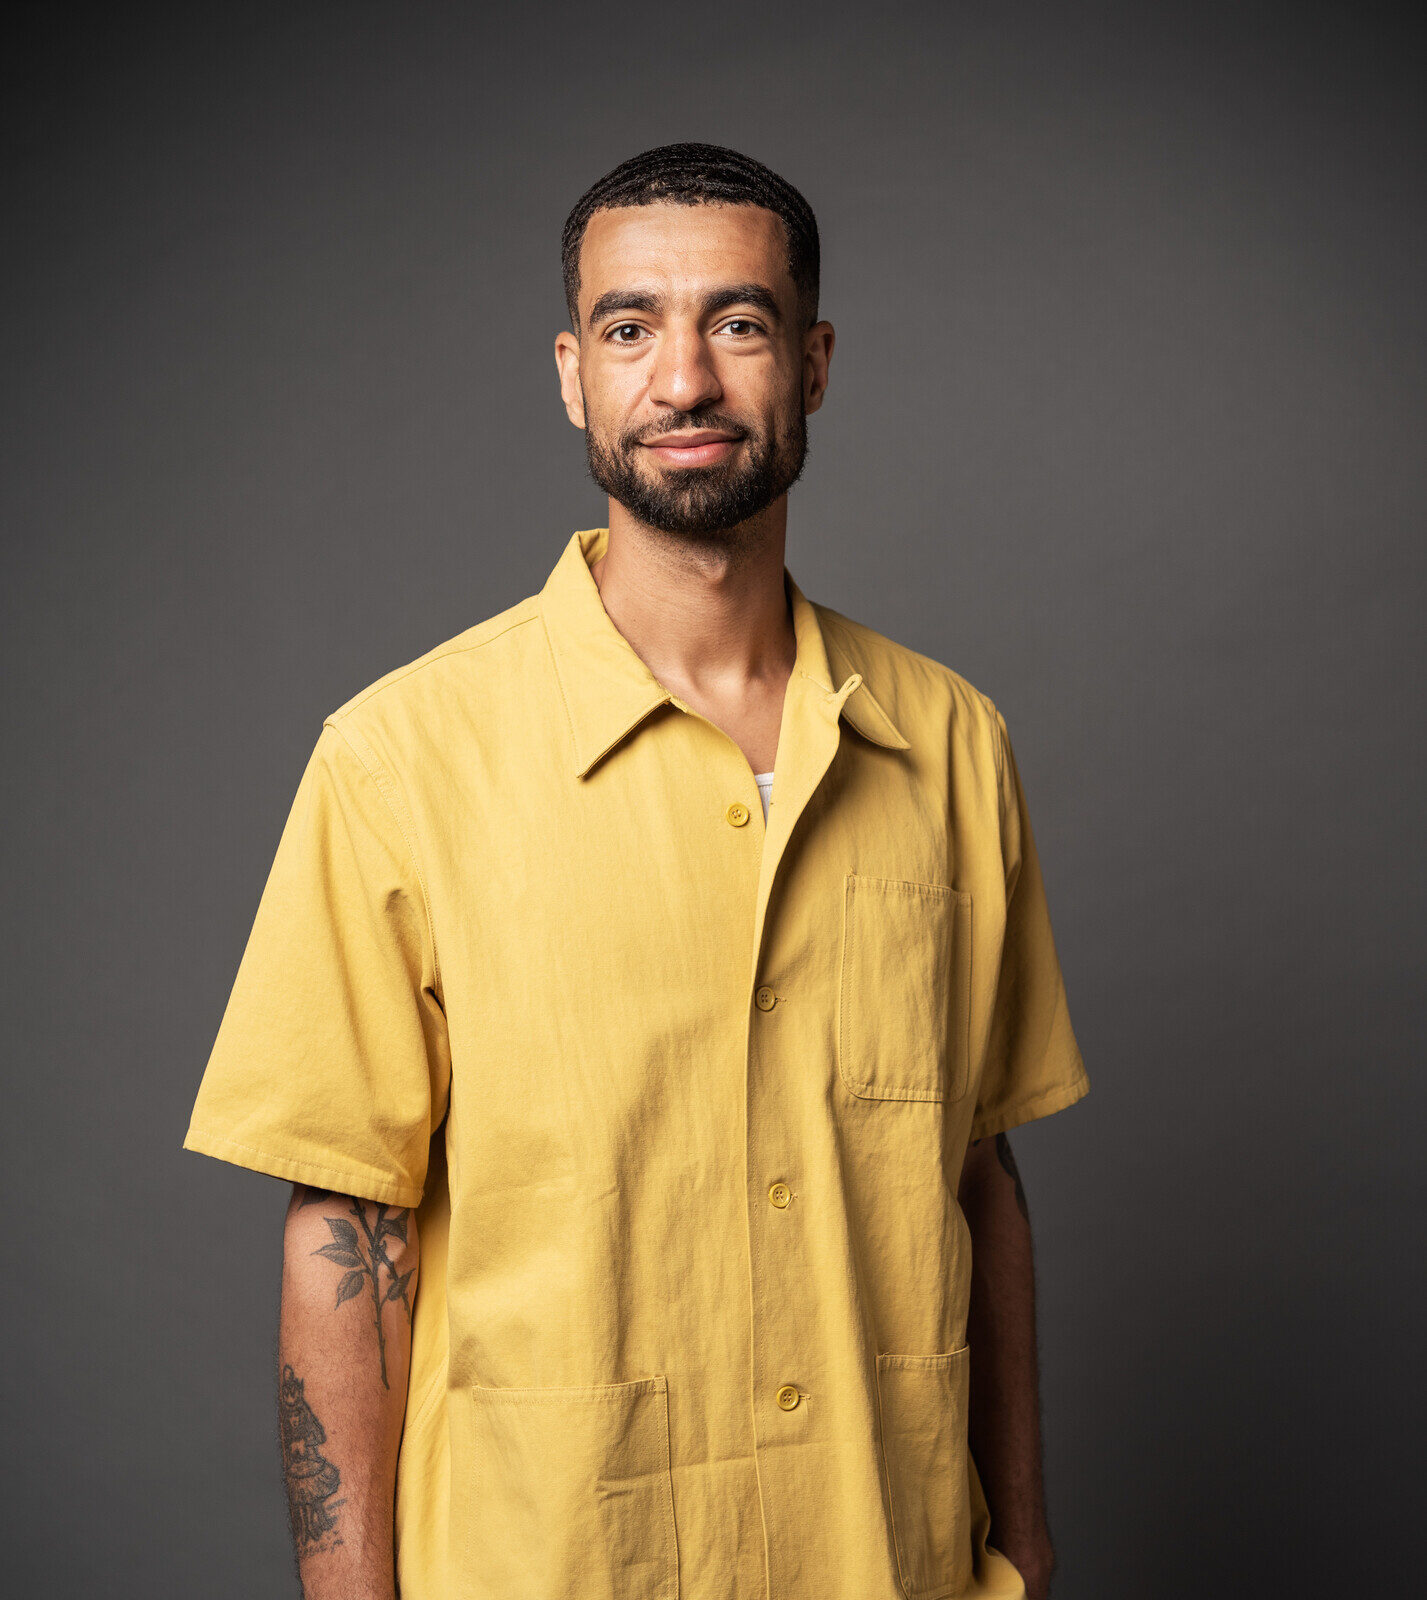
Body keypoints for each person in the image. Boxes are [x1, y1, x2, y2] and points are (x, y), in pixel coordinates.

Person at [184, 142, 1090, 1600]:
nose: (683, 381)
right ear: (570, 371)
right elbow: (347, 1229)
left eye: (736, 324)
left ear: (812, 360)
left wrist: (1026, 1553)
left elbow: (975, 1176)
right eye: (629, 327)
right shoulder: (399, 759)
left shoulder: (952, 743)